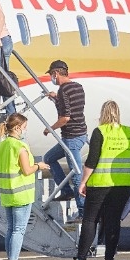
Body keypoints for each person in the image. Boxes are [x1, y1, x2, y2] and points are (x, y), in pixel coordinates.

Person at [69, 101, 130, 260]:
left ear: (103, 113)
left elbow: (92, 161)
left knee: (91, 220)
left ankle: (81, 259)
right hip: (122, 185)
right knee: (113, 221)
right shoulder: (127, 131)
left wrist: (83, 182)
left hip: (100, 184)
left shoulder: (100, 131)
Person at [0, 114, 49, 260]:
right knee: (18, 230)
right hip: (21, 194)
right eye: (25, 127)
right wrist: (39, 166)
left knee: (11, 230)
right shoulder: (20, 147)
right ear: (17, 128)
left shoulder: (2, 146)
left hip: (7, 193)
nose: (26, 130)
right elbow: (26, 170)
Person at [42, 60, 88, 220]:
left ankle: (83, 212)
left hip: (71, 138)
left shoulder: (63, 90)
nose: (51, 78)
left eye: (51, 75)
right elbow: (73, 109)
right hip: (81, 134)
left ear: (56, 73)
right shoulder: (78, 87)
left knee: (76, 174)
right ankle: (66, 191)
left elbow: (66, 117)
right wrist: (56, 99)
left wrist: (50, 128)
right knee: (48, 158)